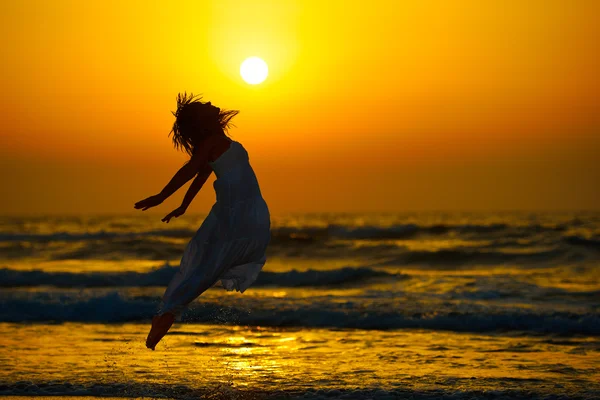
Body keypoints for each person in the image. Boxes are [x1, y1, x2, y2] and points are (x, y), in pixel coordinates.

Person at [134, 92, 271, 350]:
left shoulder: (218, 141)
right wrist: (163, 196)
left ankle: (168, 313)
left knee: (213, 264)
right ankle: (168, 314)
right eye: (204, 105)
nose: (210, 103)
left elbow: (202, 175)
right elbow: (191, 169)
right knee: (209, 265)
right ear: (202, 120)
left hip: (249, 207)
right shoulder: (210, 142)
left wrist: (184, 205)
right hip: (235, 210)